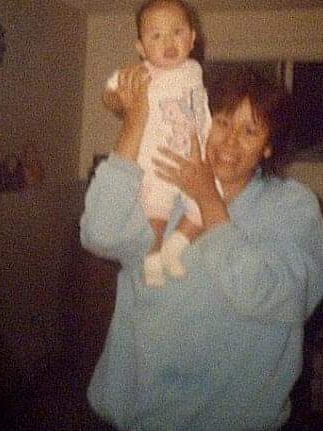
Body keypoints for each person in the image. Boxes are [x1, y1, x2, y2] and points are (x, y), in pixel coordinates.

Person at [80, 64, 323, 431]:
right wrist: (134, 124)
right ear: (201, 121)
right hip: (130, 426)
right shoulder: (163, 186)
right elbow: (99, 235)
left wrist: (208, 201)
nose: (230, 141)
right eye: (222, 122)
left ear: (268, 146)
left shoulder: (293, 207)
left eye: (250, 131)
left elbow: (272, 295)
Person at [103, 0, 212, 287]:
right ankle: (151, 257)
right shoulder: (142, 73)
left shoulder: (194, 70)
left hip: (195, 163)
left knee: (205, 208)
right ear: (141, 48)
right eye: (156, 36)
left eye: (177, 32)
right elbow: (109, 94)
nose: (168, 42)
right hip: (156, 164)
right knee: (155, 216)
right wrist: (119, 100)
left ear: (192, 38)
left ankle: (175, 246)